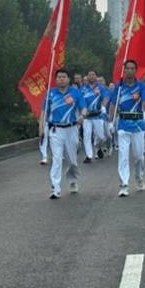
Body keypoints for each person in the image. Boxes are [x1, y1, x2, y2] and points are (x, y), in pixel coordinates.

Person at [40, 68, 87, 199]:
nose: (61, 79)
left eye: (64, 77)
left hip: (71, 129)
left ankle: (72, 180)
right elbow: (44, 112)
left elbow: (83, 107)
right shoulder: (50, 93)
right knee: (56, 159)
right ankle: (55, 188)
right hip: (56, 130)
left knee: (72, 160)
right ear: (56, 79)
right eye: (59, 77)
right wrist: (41, 127)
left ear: (68, 79)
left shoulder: (75, 93)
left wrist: (82, 115)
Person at [108, 60, 145, 197]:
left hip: (138, 124)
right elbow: (113, 105)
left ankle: (138, 176)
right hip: (123, 124)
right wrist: (111, 122)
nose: (130, 71)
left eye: (133, 68)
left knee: (139, 156)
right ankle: (124, 184)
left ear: (135, 71)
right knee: (123, 155)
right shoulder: (119, 87)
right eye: (128, 68)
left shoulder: (141, 86)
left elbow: (144, 100)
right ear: (124, 70)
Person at [81, 70, 109, 163]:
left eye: (93, 75)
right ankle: (89, 155)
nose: (91, 76)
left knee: (100, 136)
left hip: (98, 116)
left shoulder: (101, 88)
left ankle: (97, 147)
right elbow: (79, 100)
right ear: (87, 77)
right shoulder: (82, 89)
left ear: (96, 76)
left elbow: (105, 98)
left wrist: (103, 106)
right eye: (89, 75)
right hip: (87, 117)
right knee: (87, 135)